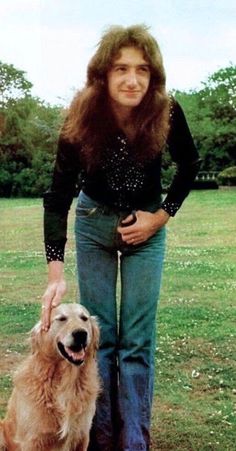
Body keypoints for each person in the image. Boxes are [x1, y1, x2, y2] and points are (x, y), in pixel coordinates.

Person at [42, 24, 200, 451]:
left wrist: (160, 218)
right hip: (93, 225)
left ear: (154, 76)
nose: (133, 79)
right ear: (103, 74)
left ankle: (135, 442)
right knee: (99, 336)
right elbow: (58, 197)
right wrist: (55, 275)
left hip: (146, 232)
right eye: (121, 69)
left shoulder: (166, 111)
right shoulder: (82, 113)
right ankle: (102, 436)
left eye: (142, 70)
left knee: (136, 340)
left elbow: (189, 166)